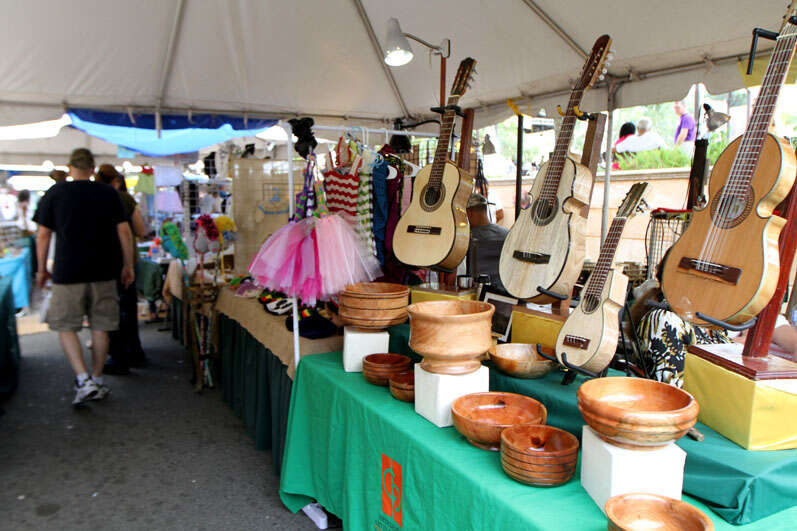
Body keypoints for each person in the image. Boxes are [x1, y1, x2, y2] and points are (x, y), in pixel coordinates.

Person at [33, 148, 135, 406]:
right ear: (92, 169)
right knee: (101, 326)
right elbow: (124, 231)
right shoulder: (108, 193)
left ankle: (82, 378)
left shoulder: (55, 193)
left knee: (66, 327)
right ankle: (98, 378)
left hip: (68, 272)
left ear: (70, 168)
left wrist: (42, 268)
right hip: (104, 271)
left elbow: (43, 235)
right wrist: (128, 265)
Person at [96, 164, 149, 374]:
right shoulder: (125, 199)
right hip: (127, 260)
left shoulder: (96, 199)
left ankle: (118, 356)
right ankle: (134, 351)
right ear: (117, 181)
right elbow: (139, 229)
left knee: (110, 309)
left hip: (105, 260)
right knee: (128, 306)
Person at [466, 193, 509, 291]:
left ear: (469, 213)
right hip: (507, 293)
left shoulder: (466, 239)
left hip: (478, 293)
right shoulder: (508, 235)